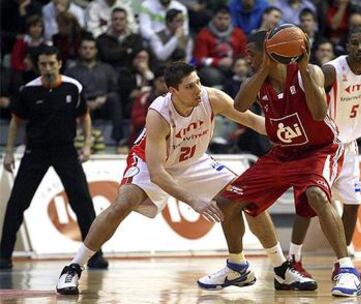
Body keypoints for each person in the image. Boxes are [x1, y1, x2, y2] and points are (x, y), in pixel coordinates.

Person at [56, 61, 313, 295]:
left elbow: (255, 121)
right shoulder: (159, 114)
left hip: (194, 161)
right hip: (151, 163)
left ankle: (281, 270)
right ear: (172, 91)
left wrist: (292, 131)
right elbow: (157, 173)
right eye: (190, 86)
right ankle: (74, 267)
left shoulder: (212, 98)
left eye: (198, 82)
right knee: (122, 204)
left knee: (246, 198)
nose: (198, 89)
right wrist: (193, 200)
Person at [199, 29, 361, 297]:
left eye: (251, 54)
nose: (247, 59)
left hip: (318, 151)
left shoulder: (310, 72)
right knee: (226, 203)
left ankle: (346, 269)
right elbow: (239, 106)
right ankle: (237, 266)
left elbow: (320, 112)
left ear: (269, 51)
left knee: (316, 195)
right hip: (282, 154)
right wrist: (264, 68)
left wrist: (303, 69)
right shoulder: (257, 80)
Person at [287, 26, 361, 280]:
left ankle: (340, 263)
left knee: (353, 204)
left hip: (350, 146)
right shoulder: (332, 70)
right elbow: (309, 90)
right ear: (347, 45)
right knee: (310, 201)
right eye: (354, 43)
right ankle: (293, 258)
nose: (360, 48)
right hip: (326, 145)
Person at [0, 46, 108, 270]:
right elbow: (15, 122)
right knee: (17, 203)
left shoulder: (72, 87)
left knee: (83, 202)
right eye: (43, 64)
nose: (47, 68)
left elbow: (85, 117)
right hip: (35, 151)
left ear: (59, 63)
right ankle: (4, 257)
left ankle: (96, 255)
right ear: (37, 66)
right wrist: (9, 151)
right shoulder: (28, 91)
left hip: (65, 150)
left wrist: (87, 144)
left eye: (51, 63)